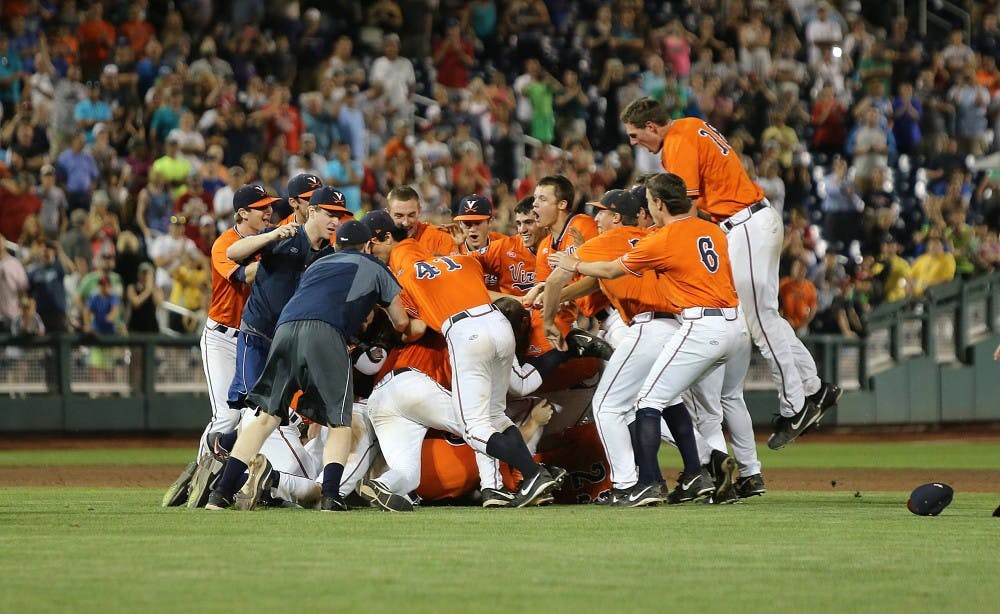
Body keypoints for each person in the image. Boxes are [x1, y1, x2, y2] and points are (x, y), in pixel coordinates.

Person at [620, 96, 840, 450]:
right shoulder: (690, 125)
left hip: (745, 224)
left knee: (760, 322)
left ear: (651, 127)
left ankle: (794, 406)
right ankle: (813, 388)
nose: (634, 142)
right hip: (748, 222)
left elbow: (684, 205)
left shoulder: (676, 143)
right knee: (766, 317)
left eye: (635, 135)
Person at [547, 173, 751, 504]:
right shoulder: (705, 231)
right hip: (730, 325)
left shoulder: (659, 238)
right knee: (667, 398)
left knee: (615, 405)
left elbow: (610, 271)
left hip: (683, 326)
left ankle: (637, 483)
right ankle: (700, 471)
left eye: (601, 212)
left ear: (657, 204)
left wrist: (574, 264)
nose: (596, 218)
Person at [205, 219, 412, 512]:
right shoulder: (375, 266)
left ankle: (221, 494)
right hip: (326, 333)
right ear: (367, 245)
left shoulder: (318, 264)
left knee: (266, 417)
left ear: (336, 243)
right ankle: (330, 496)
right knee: (340, 421)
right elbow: (401, 321)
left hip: (285, 328)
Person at [386, 220, 567, 508]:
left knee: (473, 428)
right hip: (498, 323)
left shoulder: (404, 275)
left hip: (465, 332)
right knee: (496, 416)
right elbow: (466, 275)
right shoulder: (463, 261)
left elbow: (413, 328)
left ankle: (534, 474)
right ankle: (518, 481)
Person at [161, 184, 273, 507]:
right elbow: (245, 275)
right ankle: (199, 475)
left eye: (269, 206)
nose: (267, 211)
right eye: (260, 207)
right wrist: (278, 250)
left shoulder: (266, 239)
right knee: (226, 417)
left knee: (252, 419)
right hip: (222, 338)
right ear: (242, 213)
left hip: (254, 341)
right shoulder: (225, 243)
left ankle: (228, 481)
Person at [386, 185, 456, 256]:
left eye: (411, 215)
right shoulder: (380, 242)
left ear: (419, 211)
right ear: (387, 214)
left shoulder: (439, 238)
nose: (406, 223)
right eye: (399, 216)